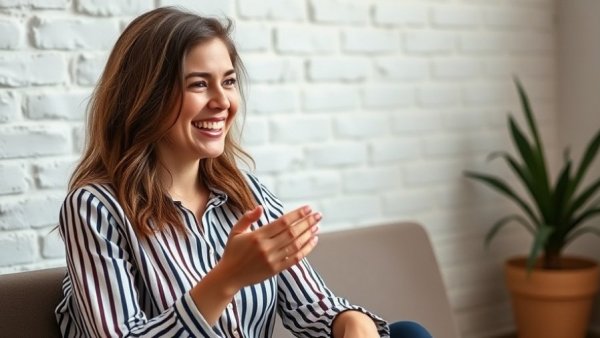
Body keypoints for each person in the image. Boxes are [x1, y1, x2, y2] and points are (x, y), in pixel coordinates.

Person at [55, 6, 431, 338]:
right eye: (199, 84)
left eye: (229, 81)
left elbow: (315, 308)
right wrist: (227, 277)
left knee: (406, 334)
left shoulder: (244, 193)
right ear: (146, 96)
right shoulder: (95, 208)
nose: (222, 102)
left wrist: (351, 321)